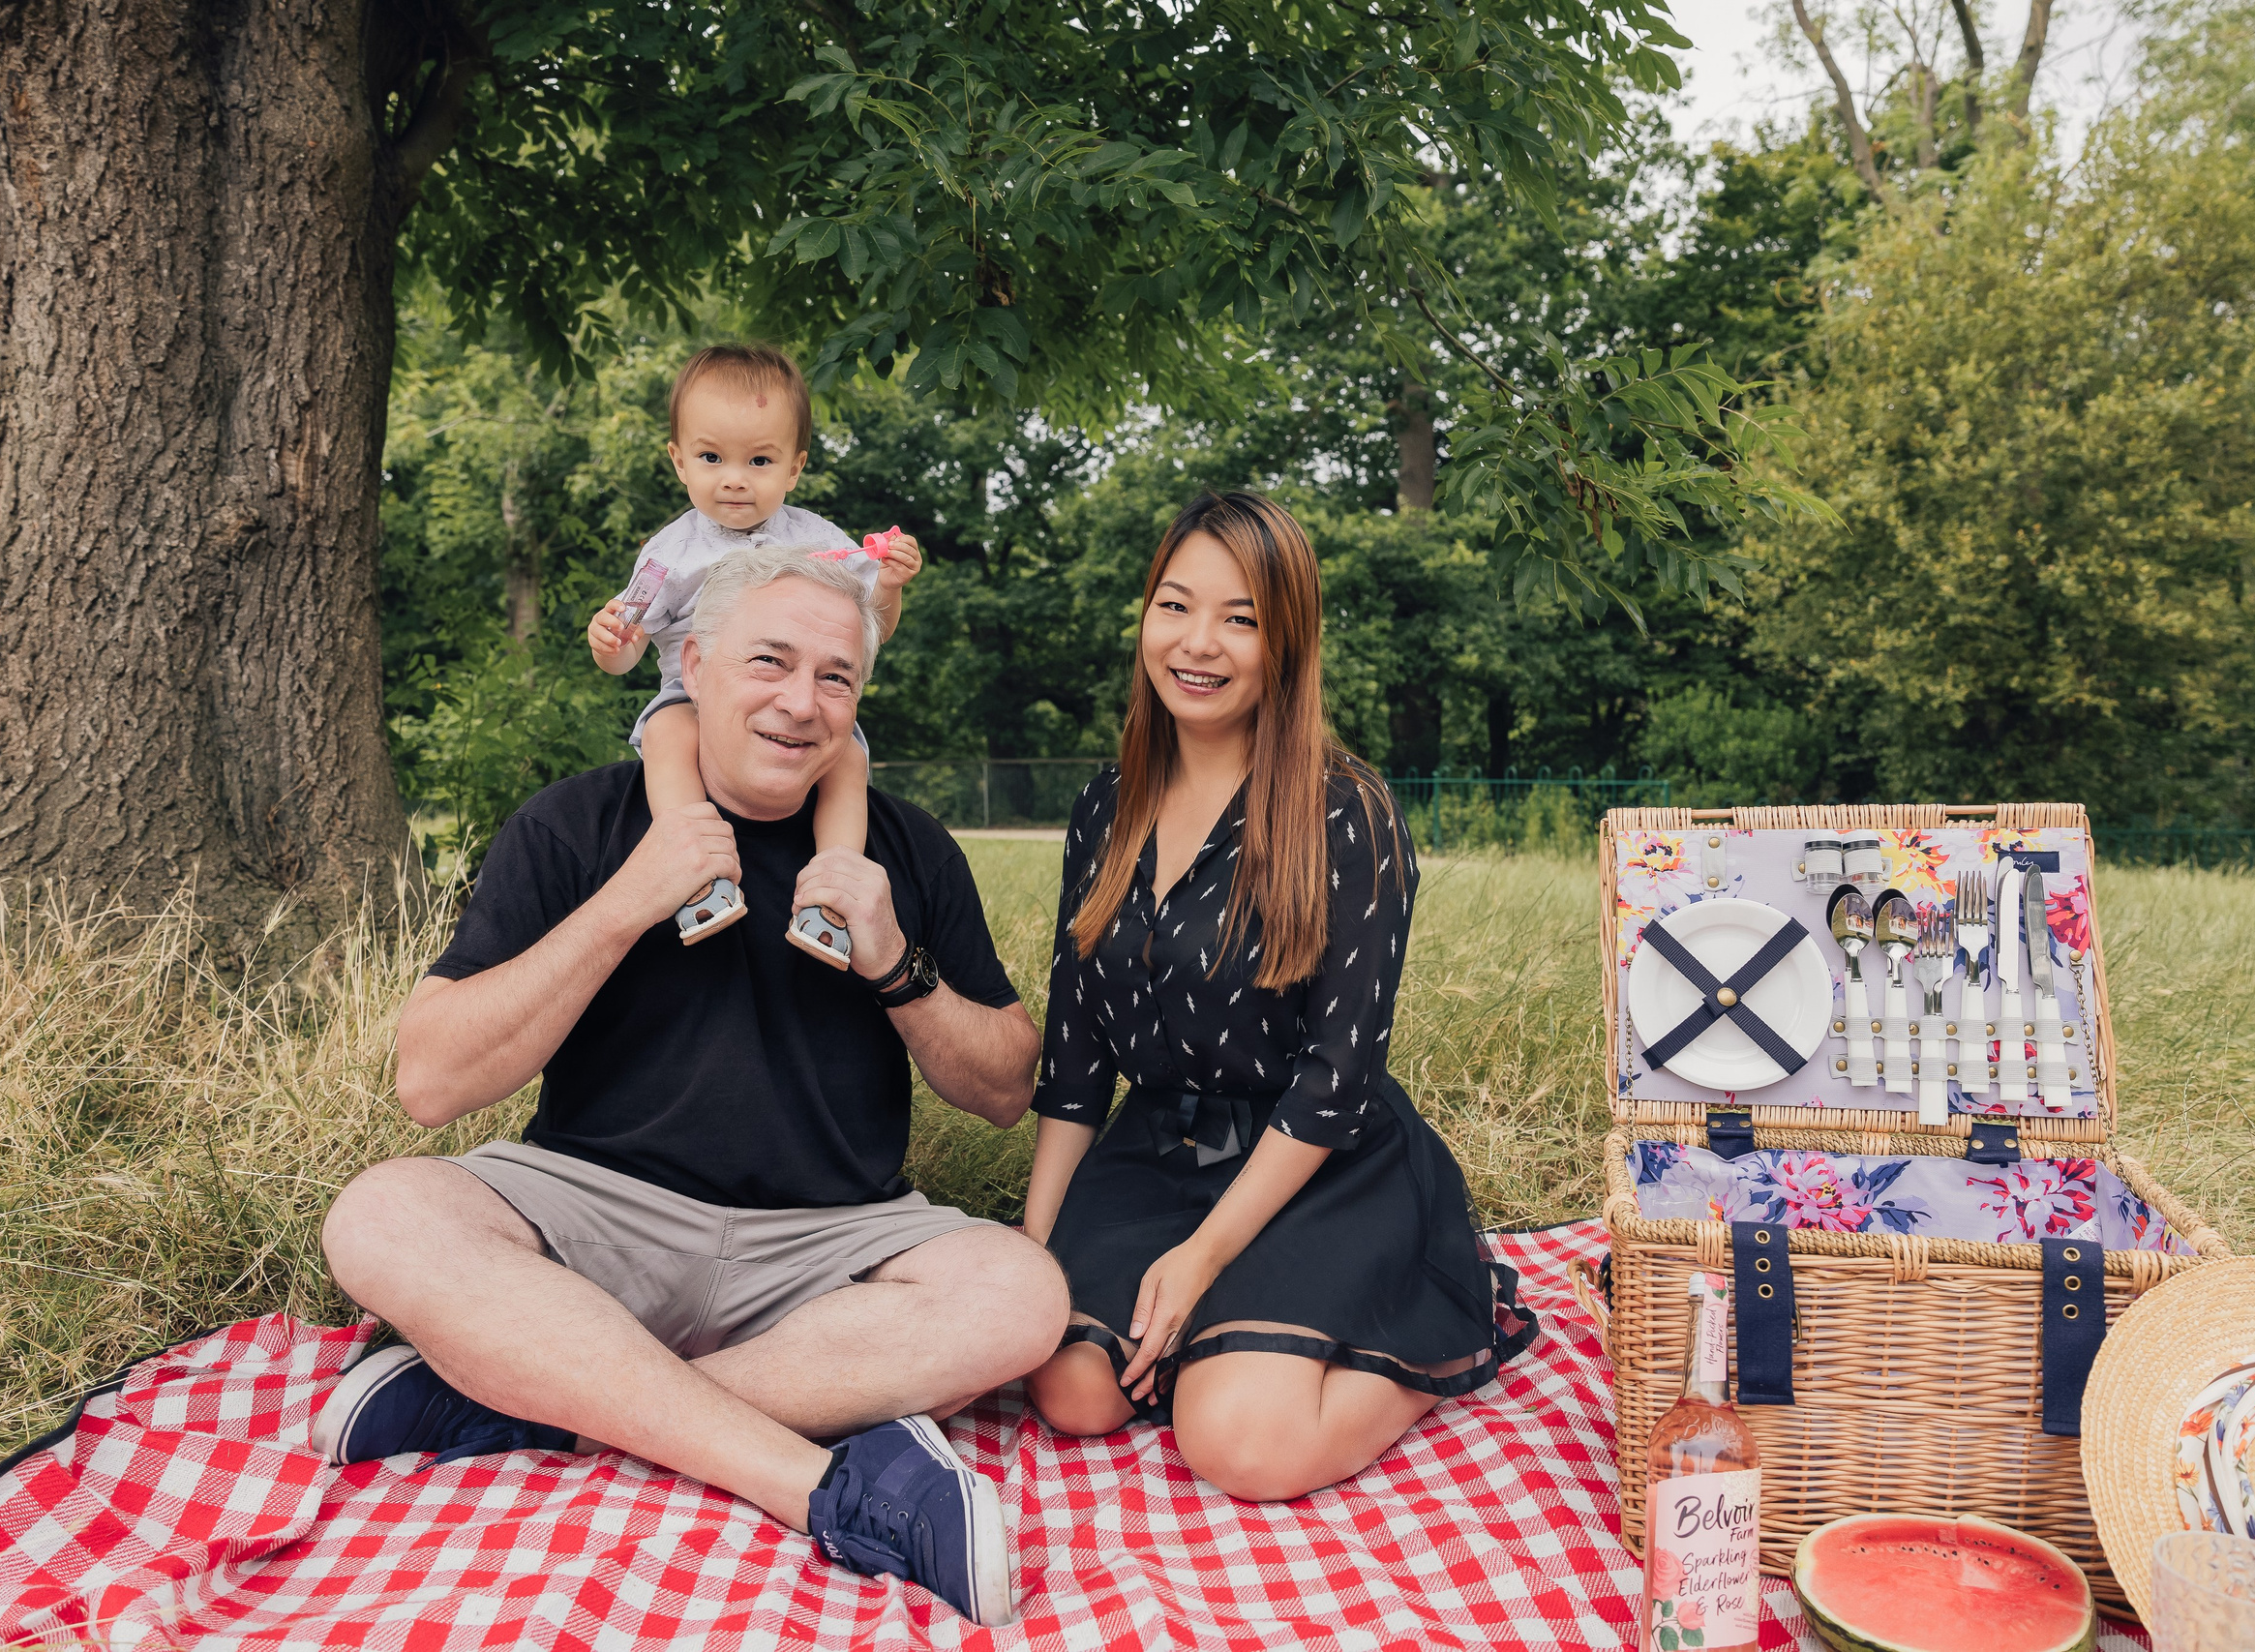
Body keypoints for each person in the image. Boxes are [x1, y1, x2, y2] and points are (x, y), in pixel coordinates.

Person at [316, 543, 1066, 1627]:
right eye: (769, 663)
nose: (800, 704)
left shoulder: (903, 848)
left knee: (1021, 1295)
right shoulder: (577, 824)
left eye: (834, 679)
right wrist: (628, 900)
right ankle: (815, 1483)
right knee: (383, 1216)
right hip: (591, 1220)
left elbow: (1002, 1087)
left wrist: (899, 965)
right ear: (697, 665)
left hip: (828, 1249)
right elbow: (431, 1081)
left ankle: (529, 1395)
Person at [1018, 490, 1534, 1500]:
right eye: (1174, 605)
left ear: (1286, 640)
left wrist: (1205, 1258)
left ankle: (1431, 1321)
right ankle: (1223, 1335)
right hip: (1157, 1143)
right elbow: (1076, 1056)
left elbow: (1337, 1078)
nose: (1196, 643)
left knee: (1241, 1446)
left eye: (1239, 617)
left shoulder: (1349, 810)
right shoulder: (1104, 808)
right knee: (1070, 1389)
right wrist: (1033, 1257)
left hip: (1315, 1157)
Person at [585, 342, 923, 968]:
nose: (735, 477)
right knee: (665, 736)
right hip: (690, 693)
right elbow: (624, 656)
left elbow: (871, 624)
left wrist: (891, 586)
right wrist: (611, 644)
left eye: (760, 460)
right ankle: (698, 873)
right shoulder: (667, 555)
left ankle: (833, 891)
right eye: (712, 457)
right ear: (679, 461)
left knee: (847, 754)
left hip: (798, 690)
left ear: (794, 469)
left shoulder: (818, 538)